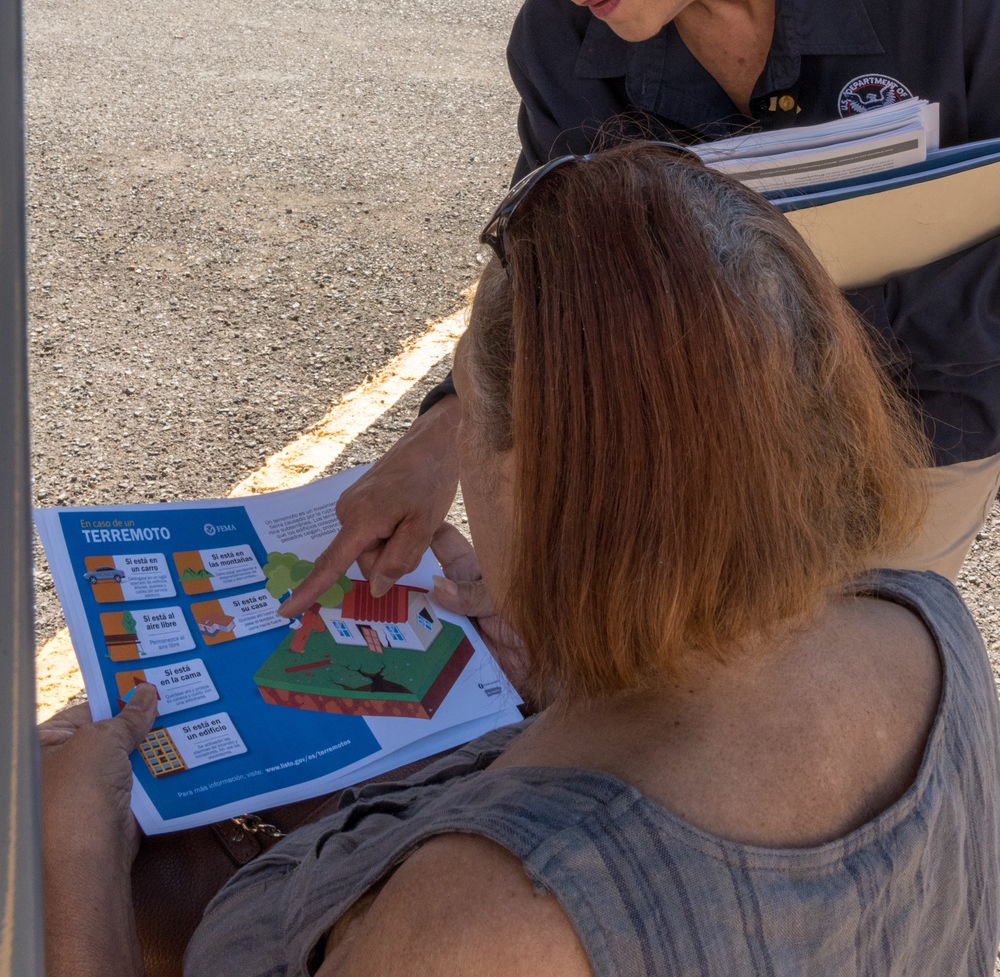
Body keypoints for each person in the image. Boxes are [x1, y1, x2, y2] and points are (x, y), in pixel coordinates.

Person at [41, 147, 1000, 976]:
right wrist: (558, 677)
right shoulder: (920, 619)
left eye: (467, 410)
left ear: (537, 477)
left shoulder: (492, 917)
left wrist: (73, 853)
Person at [287, 0, 1000, 617]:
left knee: (830, 674)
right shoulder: (562, 44)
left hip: (927, 433)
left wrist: (780, 346)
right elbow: (538, 268)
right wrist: (441, 444)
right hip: (701, 440)